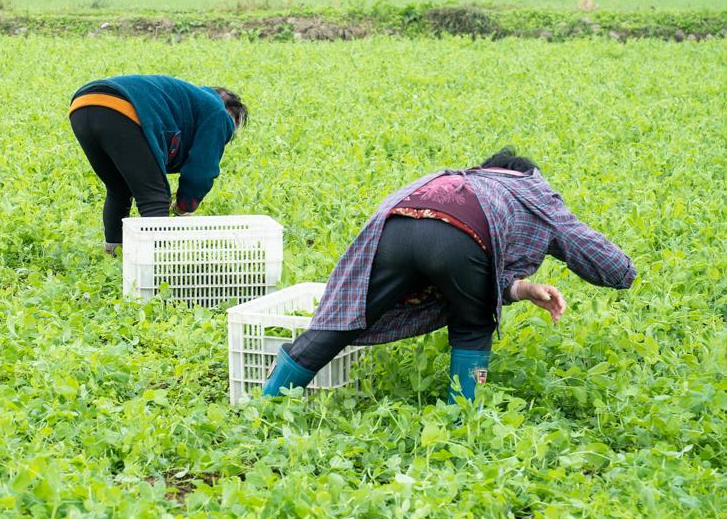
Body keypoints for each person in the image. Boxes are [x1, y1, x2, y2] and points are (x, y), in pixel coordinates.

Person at [262, 148, 635, 404]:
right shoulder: (536, 196)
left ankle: (266, 405)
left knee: (344, 322)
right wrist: (628, 272)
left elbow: (482, 271)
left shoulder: (464, 180)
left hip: (395, 227)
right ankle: (461, 418)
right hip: (459, 239)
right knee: (472, 324)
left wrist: (521, 289)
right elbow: (611, 267)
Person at [69, 75, 247, 254]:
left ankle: (114, 256)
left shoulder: (187, 101)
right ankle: (156, 269)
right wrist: (183, 207)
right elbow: (202, 171)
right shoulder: (218, 112)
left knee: (119, 189)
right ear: (230, 112)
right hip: (122, 107)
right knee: (154, 198)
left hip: (82, 106)